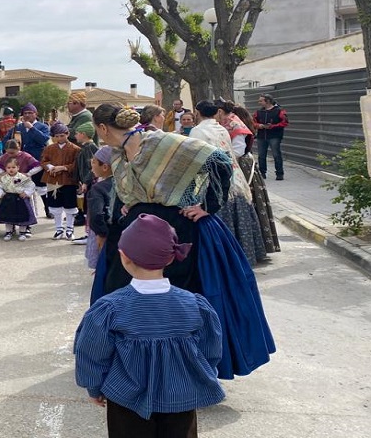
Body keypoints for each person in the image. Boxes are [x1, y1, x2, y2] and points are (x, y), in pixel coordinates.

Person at [90, 102, 275, 380]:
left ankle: (184, 367)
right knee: (124, 290)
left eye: (97, 130)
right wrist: (129, 203)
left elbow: (219, 161)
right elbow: (125, 187)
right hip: (137, 230)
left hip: (181, 228)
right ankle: (134, 362)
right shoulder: (118, 154)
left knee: (183, 295)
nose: (98, 135)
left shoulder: (159, 141)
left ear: (103, 128)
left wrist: (208, 206)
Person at [74, 214, 224, 438]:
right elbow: (210, 349)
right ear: (171, 258)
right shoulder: (195, 305)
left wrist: (94, 387)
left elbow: (92, 352)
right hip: (181, 396)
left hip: (126, 398)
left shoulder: (110, 308)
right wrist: (204, 376)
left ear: (124, 257)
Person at [189, 100, 267, 266]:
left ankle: (221, 258)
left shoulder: (197, 131)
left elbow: (196, 158)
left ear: (197, 113)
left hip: (212, 177)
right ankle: (244, 253)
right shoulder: (221, 128)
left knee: (217, 211)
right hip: (233, 175)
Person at [218, 100, 281, 256]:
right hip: (238, 164)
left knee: (248, 203)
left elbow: (238, 151)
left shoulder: (236, 126)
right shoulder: (231, 124)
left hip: (242, 167)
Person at [3, 103, 51, 217]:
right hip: (20, 162)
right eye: (25, 113)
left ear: (36, 114)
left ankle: (47, 209)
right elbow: (6, 141)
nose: (28, 115)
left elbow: (44, 140)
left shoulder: (42, 126)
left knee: (41, 187)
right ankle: (24, 211)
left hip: (37, 161)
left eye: (30, 113)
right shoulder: (17, 128)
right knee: (21, 186)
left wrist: (32, 128)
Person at [41, 123, 81, 240]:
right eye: (57, 136)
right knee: (55, 205)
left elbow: (76, 164)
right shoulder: (49, 148)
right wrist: (50, 167)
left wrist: (63, 168)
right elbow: (43, 161)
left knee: (70, 205)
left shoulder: (75, 149)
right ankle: (58, 229)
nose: (59, 138)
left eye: (62, 135)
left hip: (69, 180)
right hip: (53, 180)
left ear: (67, 134)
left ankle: (69, 228)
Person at [85, 146, 115, 269]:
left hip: (104, 233)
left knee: (103, 267)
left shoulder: (99, 188)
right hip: (120, 231)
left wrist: (101, 234)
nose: (92, 167)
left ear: (105, 167)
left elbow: (96, 214)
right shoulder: (125, 183)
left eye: (94, 163)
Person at [0, 157, 38, 241]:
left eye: (13, 167)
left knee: (22, 215)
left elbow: (31, 185)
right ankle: (9, 232)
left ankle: (22, 232)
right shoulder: (3, 178)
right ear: (5, 168)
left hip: (20, 199)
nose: (11, 169)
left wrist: (26, 193)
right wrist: (0, 193)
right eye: (9, 167)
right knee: (8, 216)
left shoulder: (23, 177)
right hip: (8, 199)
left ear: (18, 167)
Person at [72, 121, 99, 241]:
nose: (75, 136)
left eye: (77, 133)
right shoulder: (85, 147)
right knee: (86, 209)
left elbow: (92, 168)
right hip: (85, 183)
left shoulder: (90, 148)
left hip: (90, 184)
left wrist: (85, 182)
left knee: (89, 209)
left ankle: (90, 235)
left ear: (84, 134)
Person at [252, 94, 288, 180]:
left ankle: (279, 174)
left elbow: (285, 122)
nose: (259, 102)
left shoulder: (279, 111)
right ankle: (262, 173)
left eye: (261, 101)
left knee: (276, 154)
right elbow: (253, 122)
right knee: (261, 155)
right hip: (261, 136)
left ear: (267, 101)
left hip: (274, 136)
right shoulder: (258, 112)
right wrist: (259, 125)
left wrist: (272, 126)